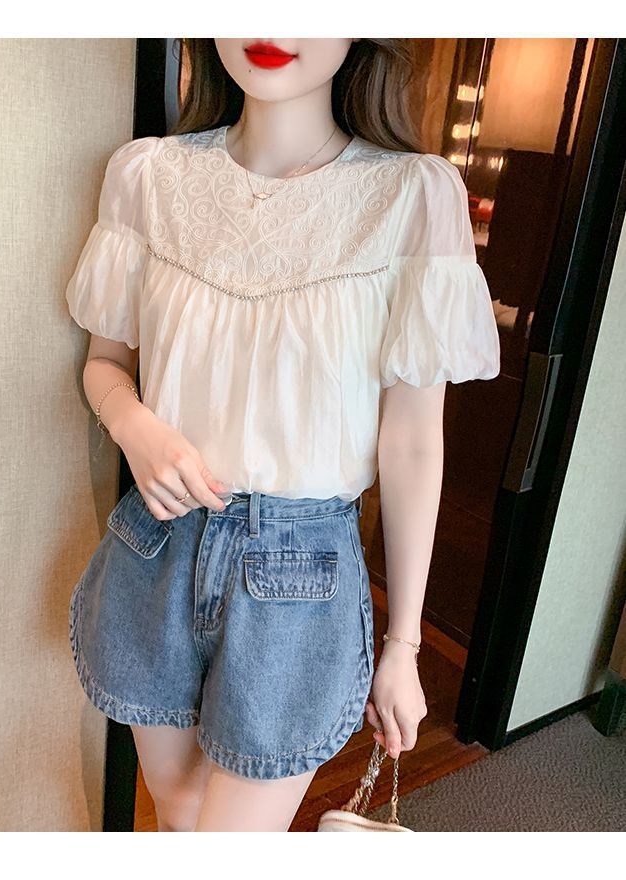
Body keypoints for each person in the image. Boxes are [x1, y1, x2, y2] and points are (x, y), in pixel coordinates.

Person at [64, 37, 501, 832]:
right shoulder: (148, 175)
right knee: (177, 815)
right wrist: (134, 426)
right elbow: (104, 363)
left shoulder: (411, 194)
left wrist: (403, 646)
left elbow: (411, 444)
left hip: (302, 578)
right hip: (157, 547)